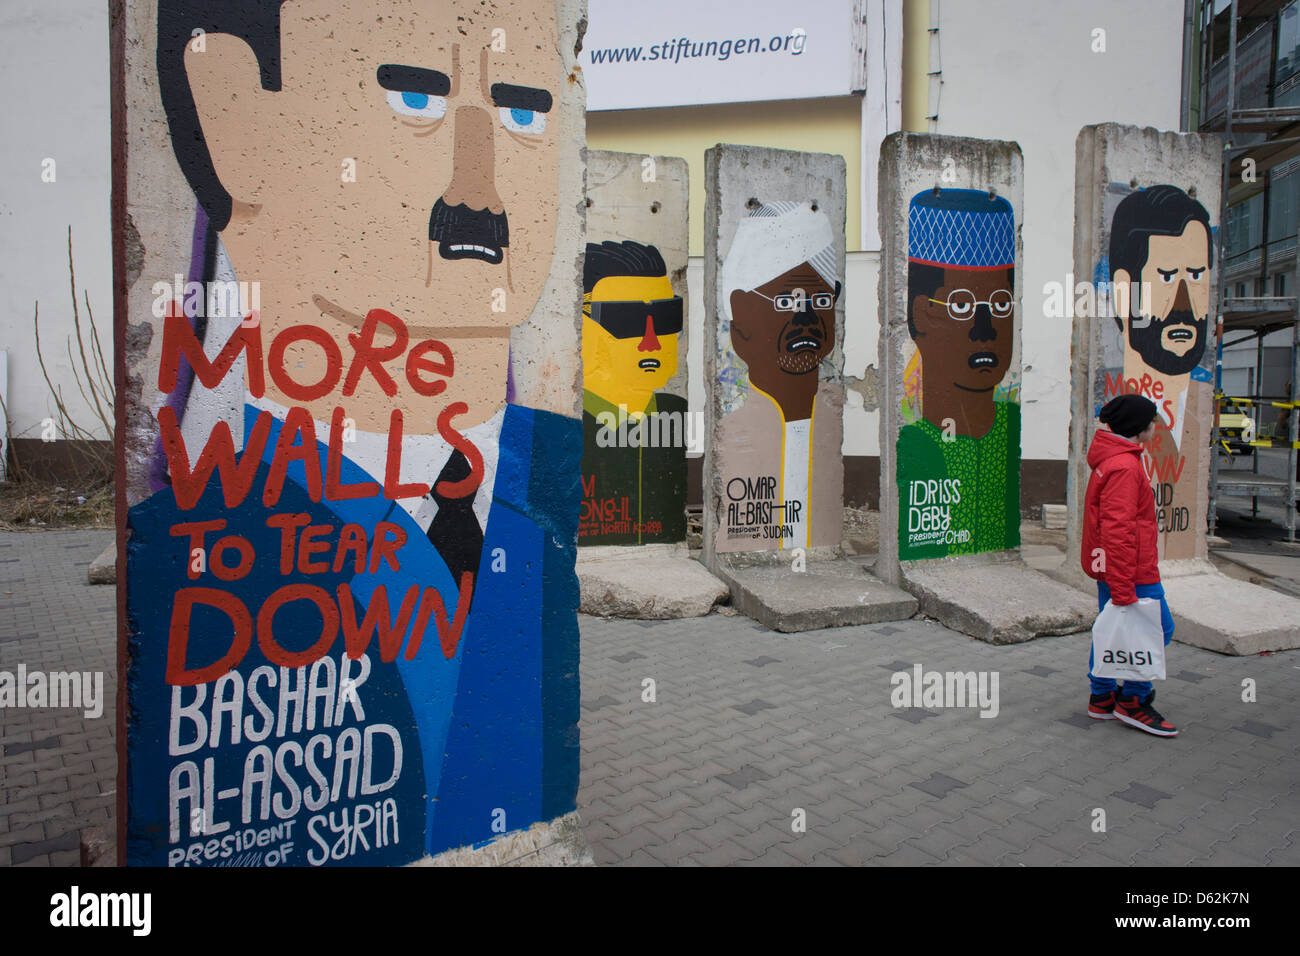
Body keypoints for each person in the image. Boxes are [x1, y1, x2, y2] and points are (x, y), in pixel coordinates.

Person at [130, 0, 580, 865]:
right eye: (415, 99)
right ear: (233, 114)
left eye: (524, 115)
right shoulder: (200, 532)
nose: (477, 193)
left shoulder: (547, 486)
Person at [897, 188, 1021, 559]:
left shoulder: (1009, 426)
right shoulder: (916, 439)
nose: (985, 330)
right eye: (961, 305)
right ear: (921, 315)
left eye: (1000, 304)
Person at [715, 201, 843, 553]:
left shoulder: (830, 417)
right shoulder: (735, 427)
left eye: (820, 300)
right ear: (741, 318)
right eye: (786, 302)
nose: (807, 320)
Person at [1080, 394, 1178, 736]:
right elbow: (1117, 529)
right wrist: (1123, 587)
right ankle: (1133, 700)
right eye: (1152, 421)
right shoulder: (1124, 466)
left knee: (1111, 628)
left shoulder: (1116, 459)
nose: (1155, 426)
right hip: (1131, 570)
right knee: (1159, 629)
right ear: (1139, 427)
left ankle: (1102, 696)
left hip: (1117, 567)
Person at [579, 240, 687, 544]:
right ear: (580, 326)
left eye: (665, 318)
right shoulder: (562, 428)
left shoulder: (676, 412)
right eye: (626, 319)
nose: (651, 342)